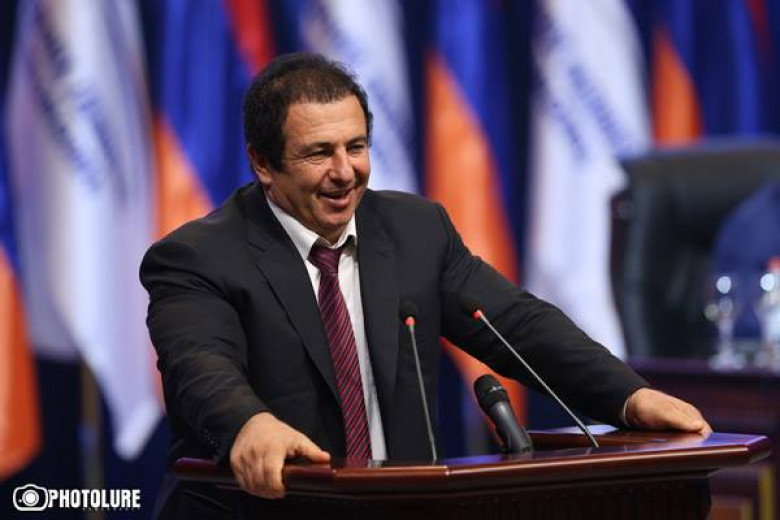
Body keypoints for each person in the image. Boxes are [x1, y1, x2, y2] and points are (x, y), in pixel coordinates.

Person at [140, 53, 710, 516]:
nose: (345, 172)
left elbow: (516, 324)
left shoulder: (414, 230)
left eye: (356, 147)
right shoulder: (198, 257)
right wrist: (250, 422)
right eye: (319, 153)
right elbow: (199, 364)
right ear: (263, 164)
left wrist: (630, 396)